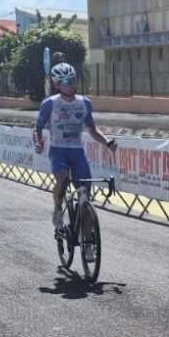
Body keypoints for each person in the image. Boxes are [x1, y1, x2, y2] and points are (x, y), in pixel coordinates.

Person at [32, 63, 117, 229]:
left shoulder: (84, 103)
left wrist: (107, 142)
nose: (70, 84)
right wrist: (38, 142)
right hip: (58, 150)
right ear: (57, 84)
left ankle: (88, 237)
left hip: (77, 152)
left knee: (85, 194)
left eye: (72, 80)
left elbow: (92, 130)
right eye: (65, 81)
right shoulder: (50, 104)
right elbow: (38, 128)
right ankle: (58, 209)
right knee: (62, 179)